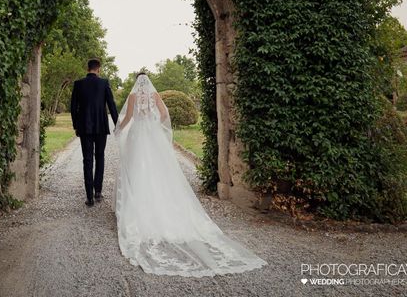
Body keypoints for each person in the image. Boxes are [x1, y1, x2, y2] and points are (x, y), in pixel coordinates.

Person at [112, 73, 267, 276]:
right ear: (148, 83)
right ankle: (161, 205)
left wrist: (118, 129)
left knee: (137, 168)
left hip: (138, 134)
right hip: (152, 134)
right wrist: (156, 125)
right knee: (158, 171)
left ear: (136, 84)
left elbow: (130, 117)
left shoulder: (133, 97)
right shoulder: (155, 96)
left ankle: (136, 206)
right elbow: (165, 115)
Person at [70, 58, 119, 207]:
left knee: (87, 160)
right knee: (100, 157)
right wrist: (117, 124)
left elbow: (73, 108)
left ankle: (89, 197)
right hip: (101, 126)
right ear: (99, 69)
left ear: (88, 68)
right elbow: (111, 104)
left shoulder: (78, 84)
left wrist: (76, 126)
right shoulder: (104, 83)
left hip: (84, 127)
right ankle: (98, 191)